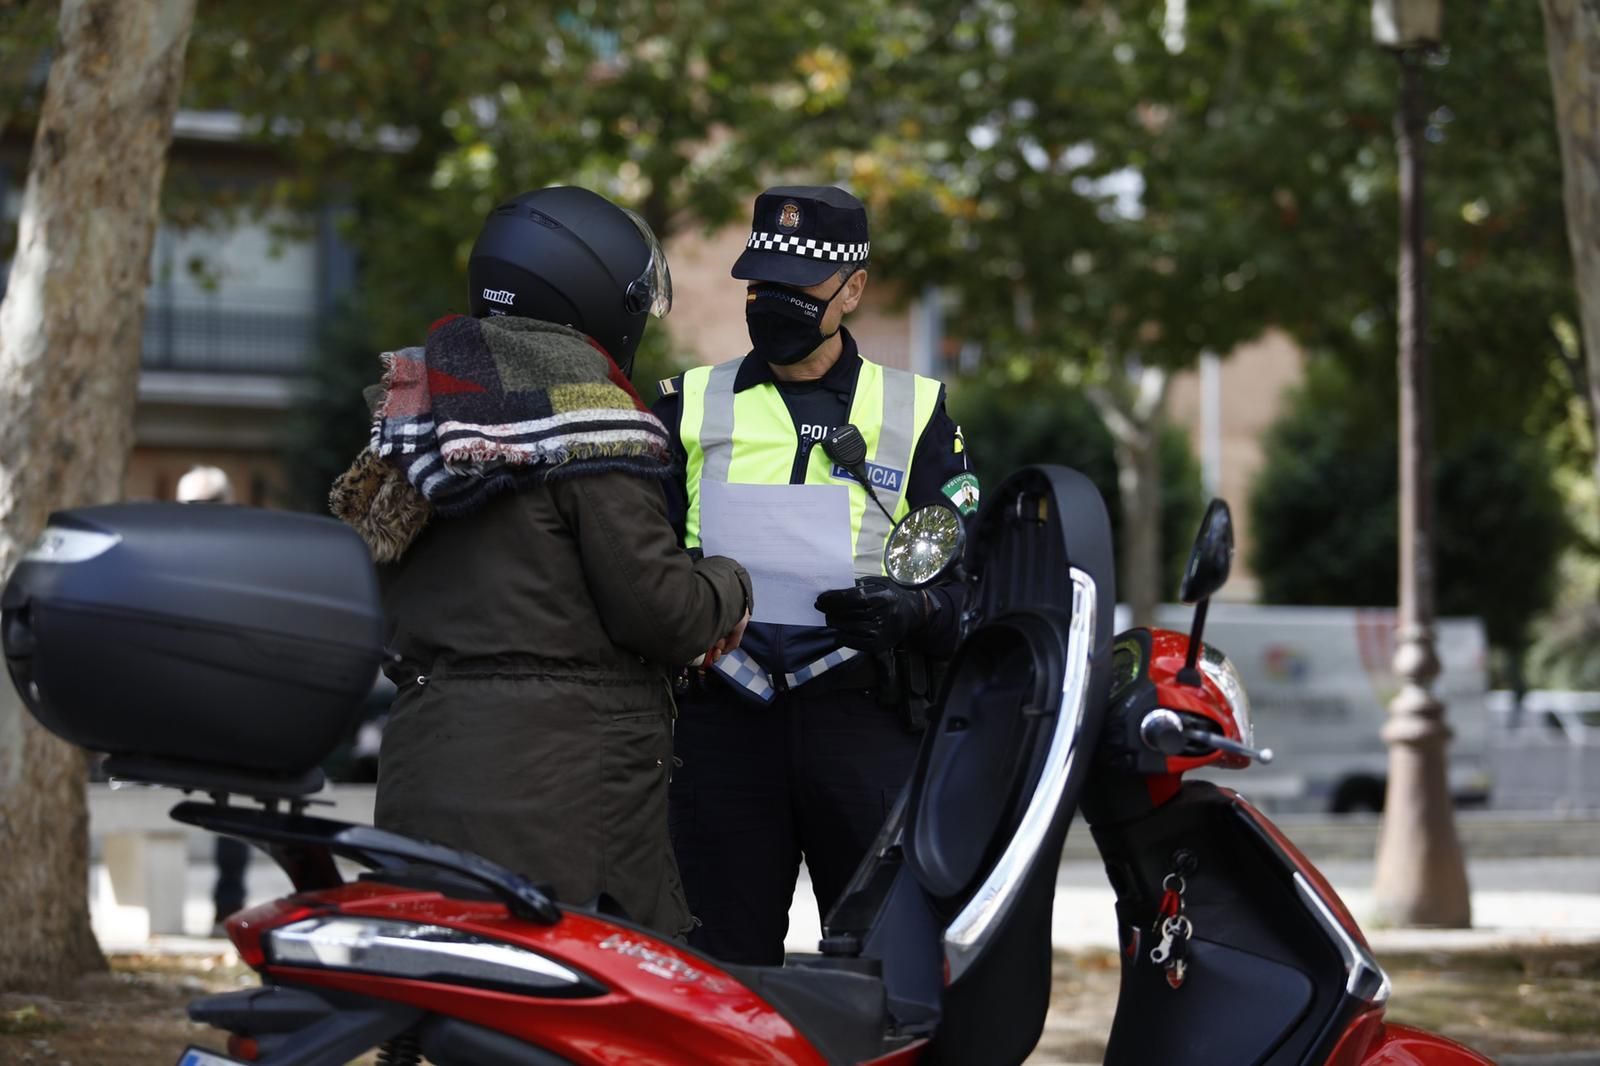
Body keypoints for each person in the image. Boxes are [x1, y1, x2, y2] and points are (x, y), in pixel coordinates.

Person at [330, 187, 751, 937]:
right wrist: (729, 583)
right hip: (563, 807)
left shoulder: (421, 411)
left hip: (427, 768)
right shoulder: (587, 418)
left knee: (451, 1006)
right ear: (594, 297)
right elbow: (663, 611)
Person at [652, 185, 979, 964]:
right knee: (718, 969)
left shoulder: (916, 409)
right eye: (760, 284)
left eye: (795, 289)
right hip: (720, 723)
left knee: (884, 967)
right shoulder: (685, 405)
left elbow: (967, 578)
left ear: (852, 289)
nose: (770, 303)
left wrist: (913, 611)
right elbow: (643, 562)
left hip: (860, 719)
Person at [174, 465, 251, 935]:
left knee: (232, 805)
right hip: (203, 697)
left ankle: (228, 904)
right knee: (232, 804)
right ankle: (228, 905)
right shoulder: (244, 551)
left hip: (217, 698)